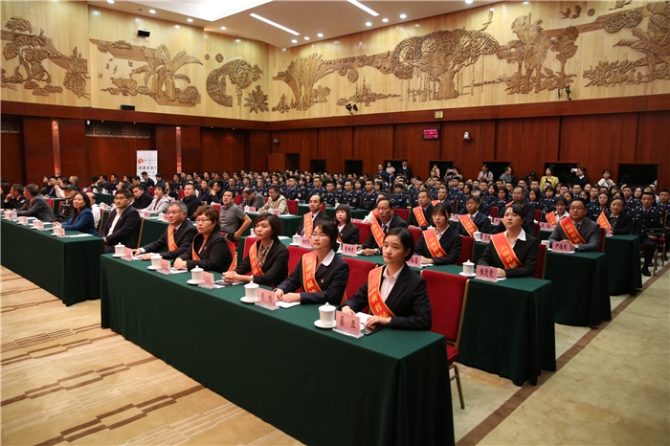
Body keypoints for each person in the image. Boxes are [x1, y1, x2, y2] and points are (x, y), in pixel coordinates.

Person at [341, 227, 432, 330]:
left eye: (395, 247)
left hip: (396, 334)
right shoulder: (375, 274)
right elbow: (358, 299)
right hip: (373, 331)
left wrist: (388, 321)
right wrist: (347, 307)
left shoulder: (415, 282)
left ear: (406, 252)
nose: (388, 251)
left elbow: (424, 320)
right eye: (385, 245)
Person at [275, 221, 349, 305]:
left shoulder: (340, 265)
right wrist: (281, 289)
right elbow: (293, 280)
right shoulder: (306, 258)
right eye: (314, 234)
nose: (316, 238)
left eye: (322, 235)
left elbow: (332, 295)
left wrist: (300, 297)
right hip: (308, 305)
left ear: (332, 240)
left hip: (325, 308)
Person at [223, 214, 289, 287]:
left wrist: (239, 278)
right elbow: (244, 267)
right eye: (257, 226)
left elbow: (268, 278)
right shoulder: (256, 246)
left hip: (274, 288)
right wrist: (232, 274)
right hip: (258, 285)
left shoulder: (281, 251)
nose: (259, 229)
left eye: (264, 226)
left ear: (273, 230)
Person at [478, 204, 539, 278]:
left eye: (514, 215)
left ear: (522, 220)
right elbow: (484, 259)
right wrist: (487, 268)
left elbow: (529, 269)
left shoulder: (531, 242)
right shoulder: (496, 238)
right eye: (506, 215)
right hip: (494, 279)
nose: (509, 218)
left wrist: (505, 273)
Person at [174, 205, 232, 272]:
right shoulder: (199, 237)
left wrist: (187, 264)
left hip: (214, 275)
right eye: (198, 220)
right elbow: (189, 253)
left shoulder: (219, 240)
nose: (200, 223)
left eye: (204, 220)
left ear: (214, 223)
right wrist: (180, 258)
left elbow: (212, 263)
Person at [133, 201, 197, 260]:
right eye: (168, 213)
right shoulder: (170, 227)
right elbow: (159, 243)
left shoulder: (190, 230)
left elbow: (182, 251)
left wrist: (155, 255)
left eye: (174, 212)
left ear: (184, 214)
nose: (170, 215)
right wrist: (141, 250)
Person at [632, 191, 664, 276]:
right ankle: (631, 266)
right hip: (636, 234)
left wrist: (655, 235)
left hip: (649, 235)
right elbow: (631, 225)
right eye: (644, 199)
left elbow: (659, 227)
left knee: (651, 245)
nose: (646, 201)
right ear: (641, 200)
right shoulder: (635, 211)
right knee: (628, 243)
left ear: (653, 200)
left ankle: (645, 267)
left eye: (649, 199)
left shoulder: (658, 212)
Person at [101, 189, 141, 253]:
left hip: (121, 246)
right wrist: (103, 238)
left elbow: (123, 232)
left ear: (129, 200)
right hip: (108, 242)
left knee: (97, 252)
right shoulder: (114, 211)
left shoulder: (132, 213)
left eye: (121, 198)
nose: (118, 201)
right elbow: (105, 226)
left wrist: (106, 240)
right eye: (116, 198)